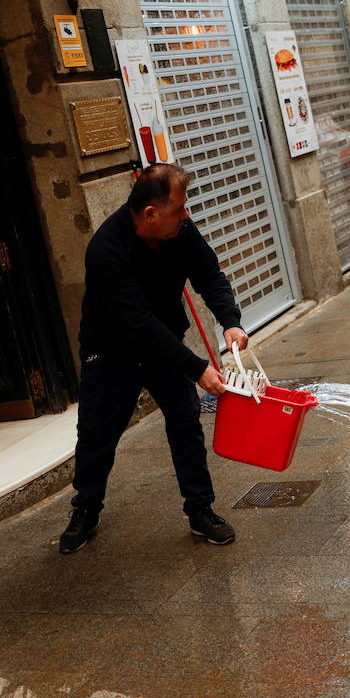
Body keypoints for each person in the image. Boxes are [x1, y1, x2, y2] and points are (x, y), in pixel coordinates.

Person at [60, 163, 248, 554]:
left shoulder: (180, 231)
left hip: (164, 345)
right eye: (179, 208)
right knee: (96, 435)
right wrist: (197, 368)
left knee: (185, 423)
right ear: (151, 214)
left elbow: (209, 275)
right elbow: (138, 325)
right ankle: (86, 509)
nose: (186, 215)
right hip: (111, 351)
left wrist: (230, 322)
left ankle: (200, 509)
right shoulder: (105, 251)